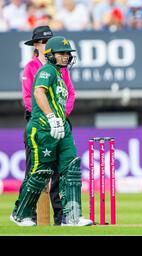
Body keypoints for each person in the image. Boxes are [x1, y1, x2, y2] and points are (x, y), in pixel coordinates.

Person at [11, 36, 92, 227]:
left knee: (70, 168)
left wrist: (60, 121)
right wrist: (51, 117)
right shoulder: (46, 70)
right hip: (42, 128)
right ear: (50, 55)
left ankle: (71, 216)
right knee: (41, 171)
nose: (65, 57)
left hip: (61, 128)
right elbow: (38, 92)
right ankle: (20, 214)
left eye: (67, 54)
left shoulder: (60, 74)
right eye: (61, 53)